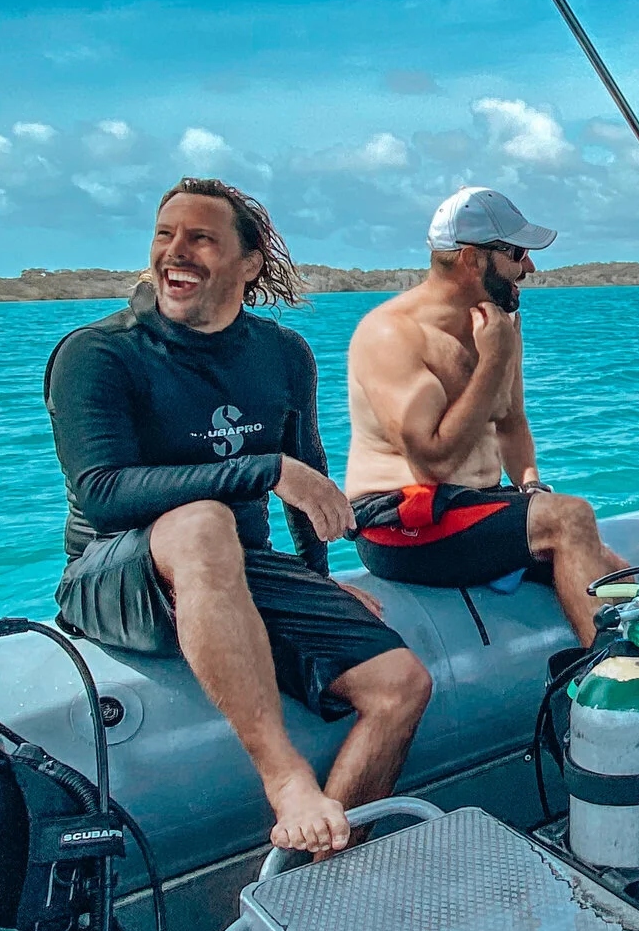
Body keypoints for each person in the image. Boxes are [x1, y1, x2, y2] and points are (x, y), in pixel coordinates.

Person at [46, 179, 430, 856]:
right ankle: (286, 779)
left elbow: (309, 486)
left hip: (239, 568)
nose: (174, 252)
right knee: (202, 521)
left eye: (200, 237)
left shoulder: (281, 354)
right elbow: (102, 491)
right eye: (165, 235)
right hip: (115, 571)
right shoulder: (99, 354)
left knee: (401, 685)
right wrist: (262, 470)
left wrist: (318, 580)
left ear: (249, 262)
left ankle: (318, 871)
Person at [344, 187, 626, 645]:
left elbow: (511, 421)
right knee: (571, 518)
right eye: (517, 253)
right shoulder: (391, 335)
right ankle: (613, 680)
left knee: (621, 574)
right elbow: (433, 461)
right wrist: (493, 360)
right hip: (403, 524)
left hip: (476, 506)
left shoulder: (501, 320)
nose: (530, 268)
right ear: (473, 259)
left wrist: (530, 488)